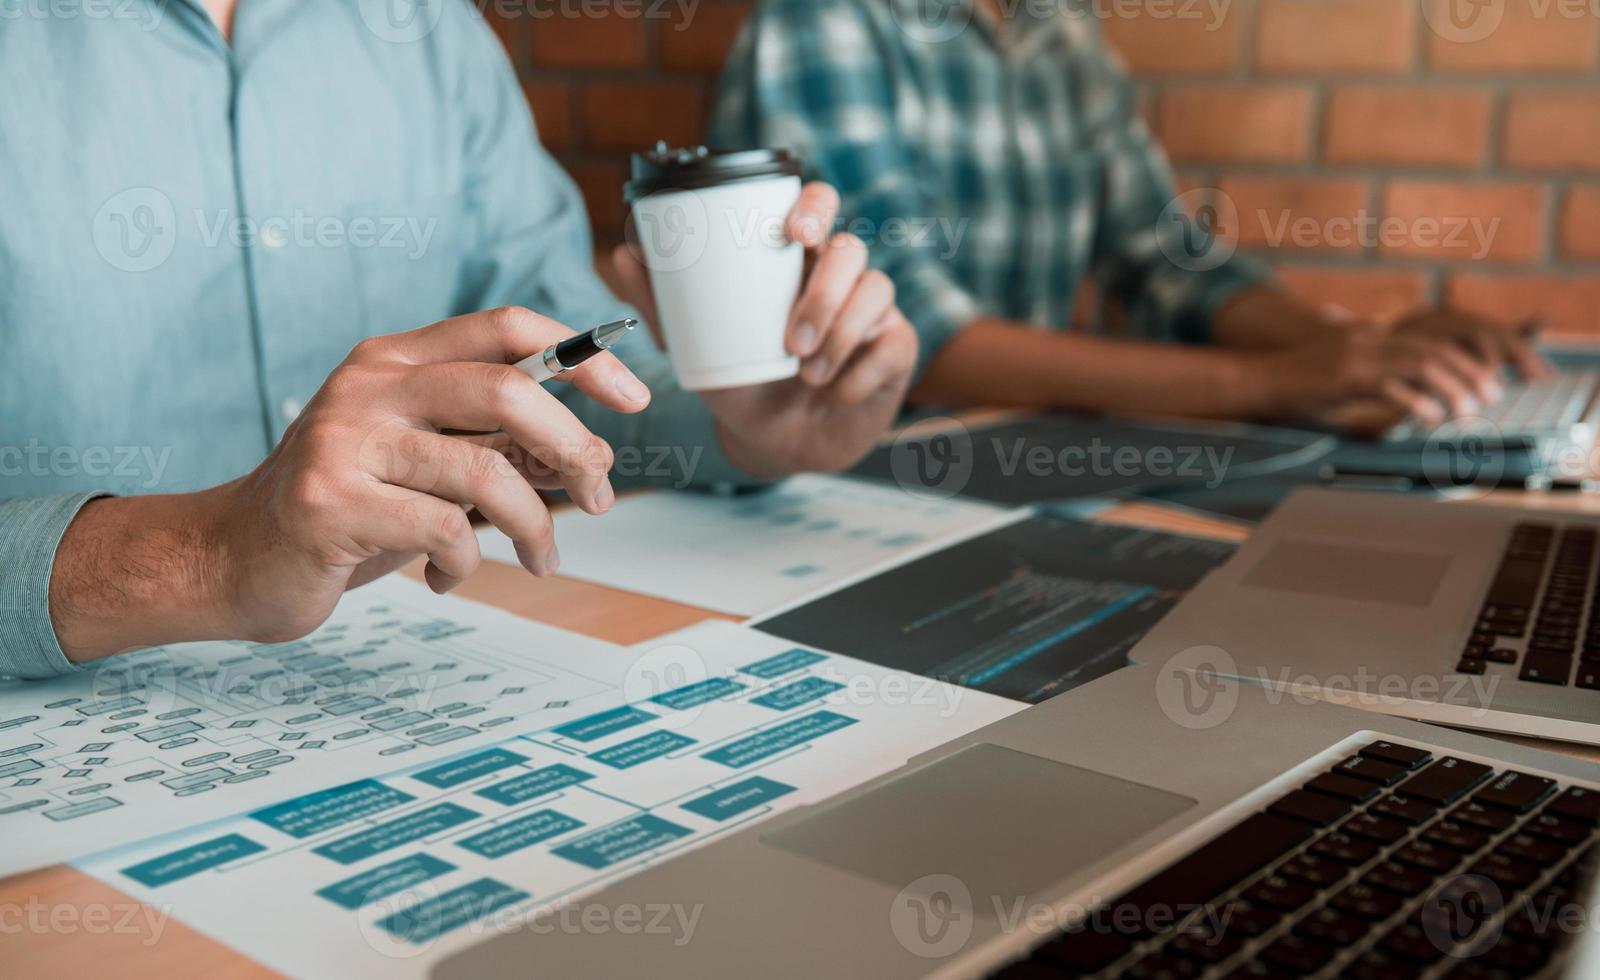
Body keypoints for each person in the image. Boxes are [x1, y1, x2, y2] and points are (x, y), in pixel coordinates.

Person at [0, 0, 917, 679]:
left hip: (397, 683)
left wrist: (742, 425)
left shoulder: (429, 29)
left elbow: (558, 372)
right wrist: (210, 554)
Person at [711, 0, 1548, 435]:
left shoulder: (1064, 31)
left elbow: (1166, 257)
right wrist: (1269, 384)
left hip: (1022, 460)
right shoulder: (824, 17)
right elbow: (912, 343)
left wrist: (1353, 345)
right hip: (862, 468)